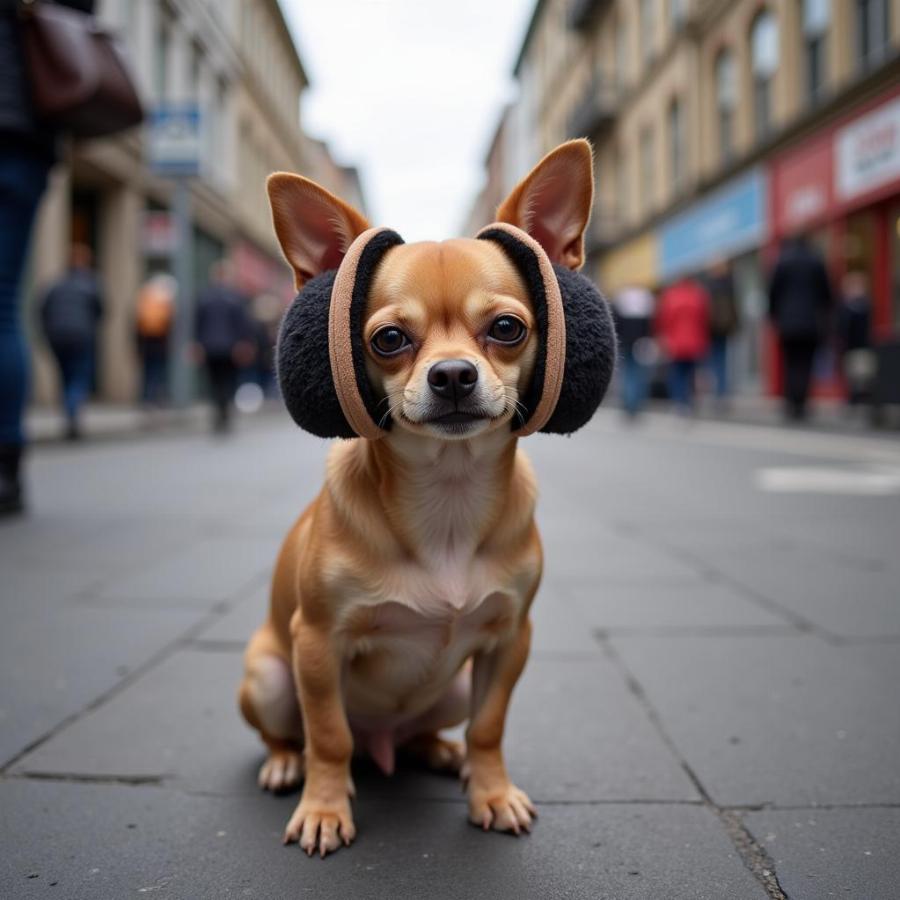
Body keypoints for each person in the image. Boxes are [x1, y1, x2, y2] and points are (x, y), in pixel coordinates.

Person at [0, 0, 95, 512]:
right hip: (21, 136)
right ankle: (7, 466)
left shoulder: (63, 285)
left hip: (18, 133)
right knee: (2, 303)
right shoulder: (82, 286)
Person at [39, 243, 104, 440]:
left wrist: (48, 332)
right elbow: (101, 311)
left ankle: (69, 413)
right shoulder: (91, 284)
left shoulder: (55, 284)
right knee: (79, 377)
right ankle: (72, 412)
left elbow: (42, 310)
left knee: (65, 376)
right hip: (81, 336)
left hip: (56, 337)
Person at [768, 235, 833, 421]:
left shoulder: (783, 261)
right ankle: (801, 403)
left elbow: (773, 292)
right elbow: (826, 293)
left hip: (787, 322)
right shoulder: (816, 261)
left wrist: (774, 316)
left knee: (791, 363)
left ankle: (791, 402)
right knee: (805, 363)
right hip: (810, 322)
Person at [194, 260, 254, 432]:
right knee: (228, 381)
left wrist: (198, 344)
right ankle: (224, 412)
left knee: (214, 382)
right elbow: (243, 324)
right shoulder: (235, 297)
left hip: (210, 347)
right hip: (230, 348)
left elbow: (198, 322)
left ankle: (218, 413)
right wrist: (244, 343)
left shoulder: (204, 296)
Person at [656, 275, 710, 414]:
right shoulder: (698, 296)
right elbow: (704, 320)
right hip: (694, 342)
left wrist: (664, 341)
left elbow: (664, 321)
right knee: (690, 374)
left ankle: (679, 402)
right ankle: (689, 402)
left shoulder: (671, 297)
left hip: (675, 344)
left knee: (677, 374)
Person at [611, 283, 655, 418]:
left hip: (625, 341)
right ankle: (635, 403)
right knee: (638, 373)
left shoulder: (621, 298)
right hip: (640, 342)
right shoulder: (646, 299)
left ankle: (629, 403)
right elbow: (650, 325)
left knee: (628, 374)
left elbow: (616, 323)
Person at [704, 259, 740, 407]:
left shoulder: (710, 286)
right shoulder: (730, 284)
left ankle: (719, 392)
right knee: (722, 360)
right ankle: (722, 392)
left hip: (713, 328)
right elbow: (734, 307)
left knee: (716, 361)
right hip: (725, 327)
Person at [135, 273, 175, 406]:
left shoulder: (145, 300)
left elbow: (137, 325)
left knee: (148, 372)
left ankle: (147, 398)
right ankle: (156, 398)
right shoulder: (164, 302)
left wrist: (137, 347)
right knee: (158, 372)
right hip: (160, 344)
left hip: (147, 344)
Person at [836, 269, 873, 407]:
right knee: (851, 374)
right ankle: (852, 397)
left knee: (862, 374)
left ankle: (860, 398)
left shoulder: (864, 306)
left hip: (861, 346)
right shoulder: (845, 306)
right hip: (849, 346)